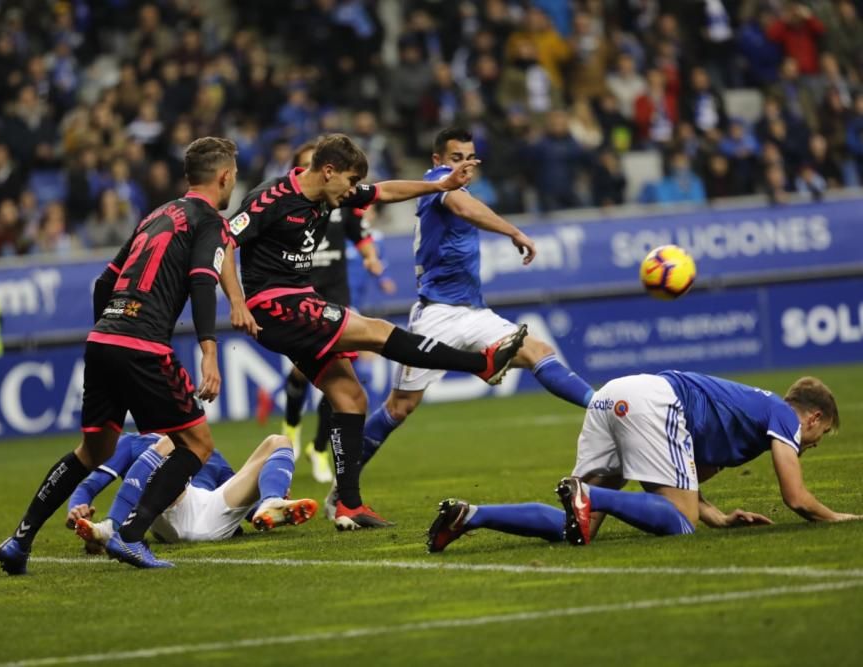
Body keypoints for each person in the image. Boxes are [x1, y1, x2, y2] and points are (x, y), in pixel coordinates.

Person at [220, 133, 528, 531]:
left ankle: (348, 504)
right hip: (275, 305)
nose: (352, 192)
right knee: (378, 331)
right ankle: (480, 364)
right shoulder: (271, 198)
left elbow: (382, 192)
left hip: (296, 303)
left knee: (350, 397)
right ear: (328, 171)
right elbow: (224, 241)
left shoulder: (329, 193)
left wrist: (438, 185)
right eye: (349, 181)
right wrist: (236, 302)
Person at [0, 137, 237, 573]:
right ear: (225, 177)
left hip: (104, 338)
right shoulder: (211, 222)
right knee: (197, 445)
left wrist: (109, 330)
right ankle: (129, 535)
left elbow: (103, 284)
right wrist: (209, 352)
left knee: (93, 450)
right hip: (142, 344)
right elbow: (203, 281)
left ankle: (20, 539)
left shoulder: (157, 215)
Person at [360, 127, 594, 477]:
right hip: (436, 315)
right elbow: (462, 206)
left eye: (470, 158)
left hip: (475, 312)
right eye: (456, 158)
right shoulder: (438, 183)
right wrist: (514, 231)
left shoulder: (457, 187)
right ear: (438, 160)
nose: (464, 165)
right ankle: (344, 481)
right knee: (400, 406)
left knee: (538, 352)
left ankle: (602, 405)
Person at [427, 372, 860, 553]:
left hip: (613, 396)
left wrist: (720, 519)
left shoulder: (746, 424)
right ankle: (589, 494)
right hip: (654, 401)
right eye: (822, 434)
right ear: (815, 417)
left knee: (576, 528)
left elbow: (682, 484)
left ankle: (471, 515)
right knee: (678, 523)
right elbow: (797, 499)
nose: (817, 443)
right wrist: (837, 517)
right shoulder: (783, 416)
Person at [280, 140, 390, 484]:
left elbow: (361, 234)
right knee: (301, 373)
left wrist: (371, 258)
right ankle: (291, 427)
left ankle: (319, 448)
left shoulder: (342, 204)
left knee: (340, 377)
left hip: (336, 296)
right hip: (303, 293)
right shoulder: (290, 206)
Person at [67, 432, 316, 553]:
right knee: (168, 444)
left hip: (211, 516)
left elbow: (246, 514)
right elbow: (89, 485)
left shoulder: (210, 452)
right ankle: (108, 527)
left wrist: (267, 492)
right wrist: (76, 507)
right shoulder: (132, 442)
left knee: (278, 441)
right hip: (170, 512)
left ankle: (271, 500)